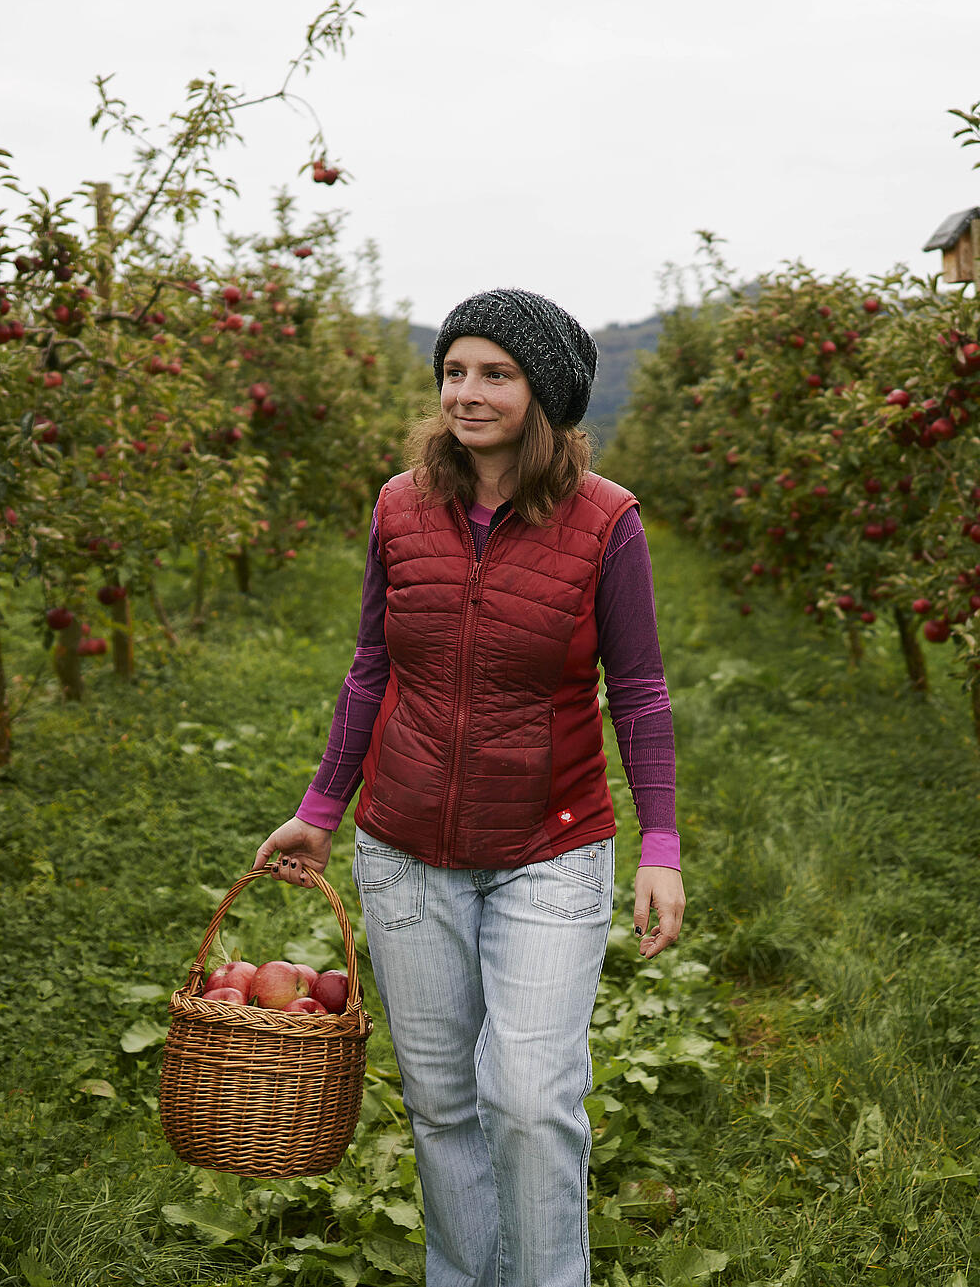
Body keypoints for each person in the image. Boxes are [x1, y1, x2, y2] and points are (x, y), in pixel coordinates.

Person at [254, 288, 685, 1287]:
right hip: (405, 850)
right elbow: (371, 666)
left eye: (495, 373)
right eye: (455, 369)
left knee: (530, 1098)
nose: (468, 391)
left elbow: (641, 688)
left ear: (545, 392)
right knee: (444, 1103)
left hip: (551, 847)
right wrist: (322, 809)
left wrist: (658, 844)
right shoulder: (401, 504)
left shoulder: (604, 520)